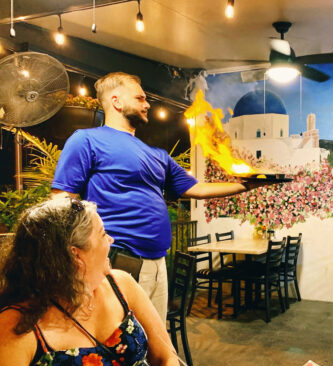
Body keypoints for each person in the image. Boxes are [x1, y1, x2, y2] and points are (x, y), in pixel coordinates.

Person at [51, 72, 271, 321]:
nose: (147, 104)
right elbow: (62, 200)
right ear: (117, 102)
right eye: (140, 98)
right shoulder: (86, 140)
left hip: (158, 262)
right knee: (120, 339)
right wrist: (84, 256)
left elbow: (195, 189)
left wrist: (248, 185)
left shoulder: (157, 154)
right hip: (120, 258)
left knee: (154, 337)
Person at [0, 198, 186, 366]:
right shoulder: (17, 325)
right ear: (75, 255)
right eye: (102, 234)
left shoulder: (121, 285)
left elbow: (166, 358)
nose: (111, 239)